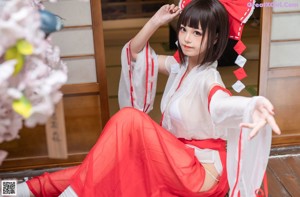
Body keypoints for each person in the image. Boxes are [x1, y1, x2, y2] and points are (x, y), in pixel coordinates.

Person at [18, 0, 280, 196]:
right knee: (99, 168)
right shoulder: (180, 68)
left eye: (197, 33)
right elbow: (135, 54)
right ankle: (18, 190)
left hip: (199, 173)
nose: (187, 38)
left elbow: (221, 103)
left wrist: (252, 105)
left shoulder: (208, 80)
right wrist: (155, 21)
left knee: (130, 120)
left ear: (214, 39)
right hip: (175, 159)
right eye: (184, 29)